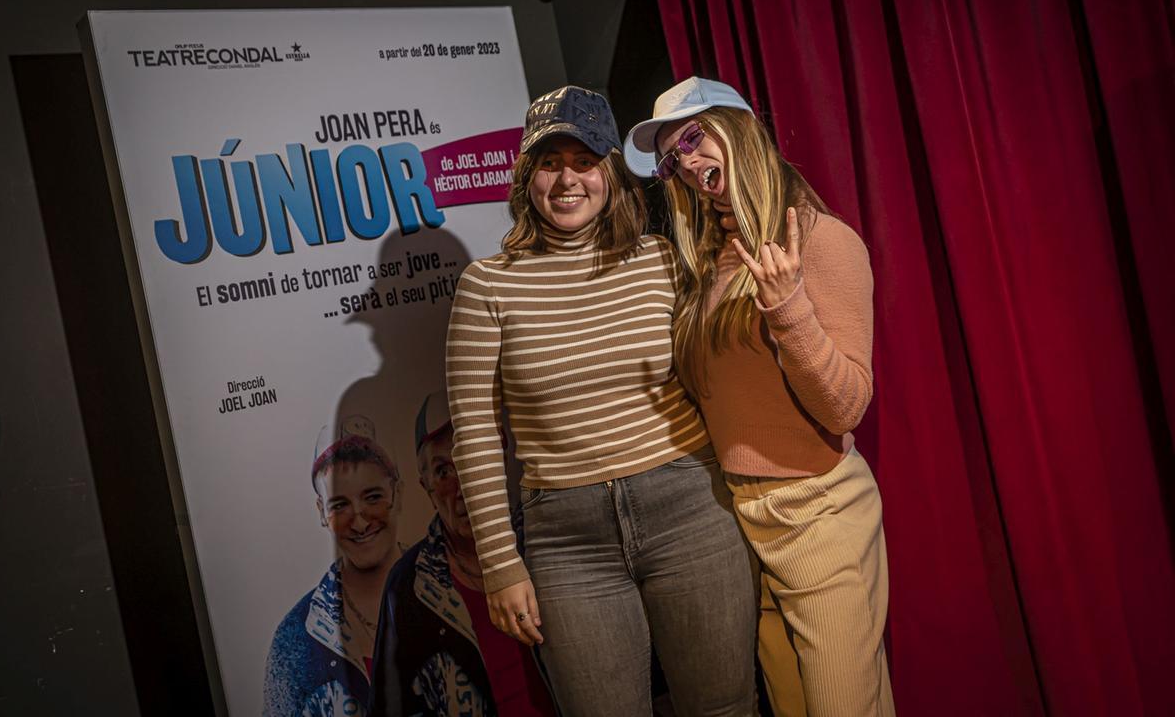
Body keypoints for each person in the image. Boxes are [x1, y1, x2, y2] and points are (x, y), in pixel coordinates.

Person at [445, 85, 757, 717]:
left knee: (724, 709)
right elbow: (475, 433)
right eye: (549, 162)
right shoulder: (486, 287)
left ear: (611, 172)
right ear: (527, 177)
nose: (567, 179)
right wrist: (502, 565)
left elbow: (716, 374)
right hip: (567, 542)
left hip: (689, 514)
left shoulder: (662, 260)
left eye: (583, 160)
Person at [624, 76, 894, 717]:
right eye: (671, 157)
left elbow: (847, 406)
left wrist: (788, 308)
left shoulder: (820, 240)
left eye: (692, 137)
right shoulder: (709, 263)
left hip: (819, 514)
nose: (686, 162)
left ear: (740, 127)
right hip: (746, 521)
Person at [369, 389, 556, 716]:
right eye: (443, 471)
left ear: (500, 459)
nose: (463, 486)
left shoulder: (546, 539)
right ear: (425, 484)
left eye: (473, 462)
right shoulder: (410, 585)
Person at [263, 416, 403, 716]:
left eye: (372, 497)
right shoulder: (295, 639)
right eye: (340, 504)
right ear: (321, 513)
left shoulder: (451, 597)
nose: (361, 521)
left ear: (397, 493)